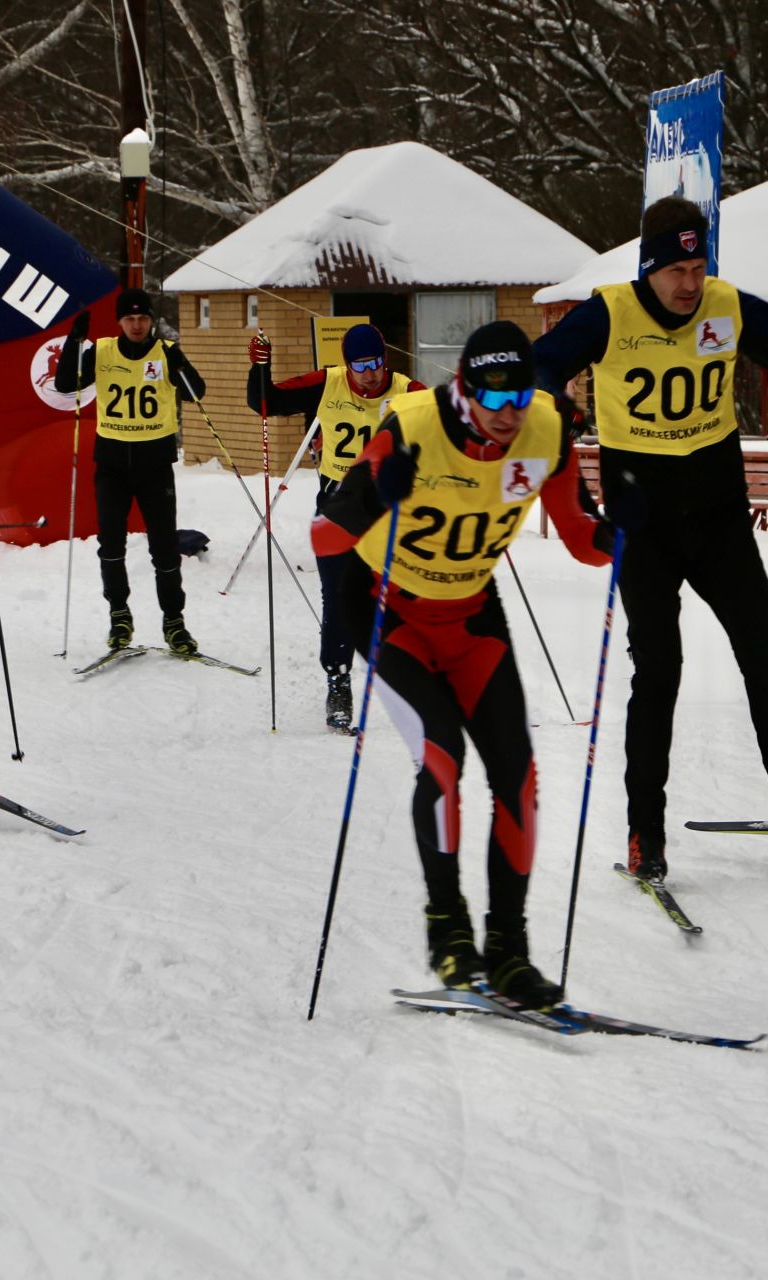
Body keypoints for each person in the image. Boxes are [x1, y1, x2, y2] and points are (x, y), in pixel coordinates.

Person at [533, 195, 768, 884]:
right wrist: (551, 402)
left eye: (697, 265)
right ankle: (644, 834)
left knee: (763, 650)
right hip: (643, 523)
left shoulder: (725, 306)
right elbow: (541, 363)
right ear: (648, 268)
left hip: (717, 514)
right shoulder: (610, 313)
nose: (688, 283)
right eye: (675, 269)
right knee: (659, 674)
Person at [313, 320, 615, 1010]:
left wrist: (620, 532)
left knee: (520, 779)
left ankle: (508, 953)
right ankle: (449, 935)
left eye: (521, 400)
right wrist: (374, 492)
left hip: (472, 616)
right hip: (388, 609)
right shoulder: (412, 422)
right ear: (465, 390)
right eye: (494, 401)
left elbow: (580, 538)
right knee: (443, 761)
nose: (509, 417)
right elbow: (325, 533)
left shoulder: (545, 432)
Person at [248, 323, 424, 731]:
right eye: (360, 365)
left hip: (387, 505)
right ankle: (338, 681)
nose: (370, 374)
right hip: (338, 502)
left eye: (376, 363)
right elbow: (264, 402)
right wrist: (260, 367)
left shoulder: (407, 391)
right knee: (340, 596)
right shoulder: (326, 383)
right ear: (348, 365)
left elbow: (450, 420)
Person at [55, 287, 205, 655]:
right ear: (120, 322)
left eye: (142, 318)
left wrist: (179, 365)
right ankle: (119, 615)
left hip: (155, 466)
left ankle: (174, 623)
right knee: (111, 546)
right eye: (130, 319)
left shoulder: (165, 352)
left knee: (164, 548)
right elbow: (64, 385)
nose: (137, 325)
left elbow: (196, 393)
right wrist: (75, 343)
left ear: (151, 320)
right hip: (113, 467)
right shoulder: (102, 351)